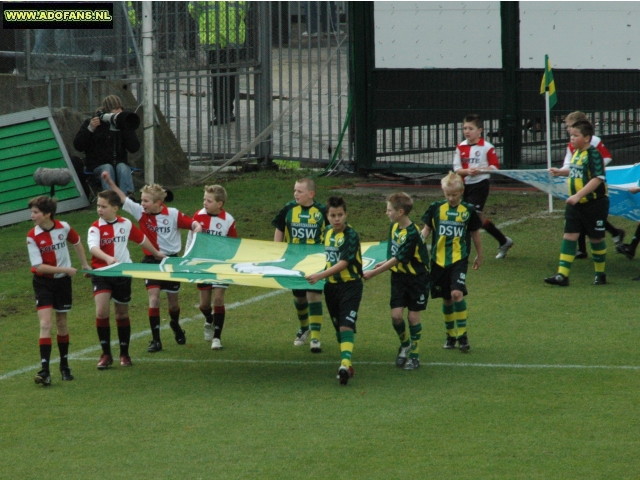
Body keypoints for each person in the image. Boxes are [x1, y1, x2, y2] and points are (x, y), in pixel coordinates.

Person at [102, 171, 202, 352]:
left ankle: (175, 324)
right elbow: (123, 199)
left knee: (173, 304)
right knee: (154, 299)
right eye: (141, 200)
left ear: (158, 203)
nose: (142, 204)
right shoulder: (141, 213)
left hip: (171, 261)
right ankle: (156, 340)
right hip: (150, 261)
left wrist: (198, 227)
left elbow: (192, 224)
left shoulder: (172, 214)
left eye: (146, 201)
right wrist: (110, 182)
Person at [88, 190, 165, 370]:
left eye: (103, 206)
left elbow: (141, 239)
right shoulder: (95, 228)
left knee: (121, 313)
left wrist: (155, 253)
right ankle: (106, 354)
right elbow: (93, 247)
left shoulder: (125, 224)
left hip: (122, 274)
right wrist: (107, 259)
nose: (99, 210)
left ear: (115, 208)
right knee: (101, 312)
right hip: (102, 274)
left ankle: (124, 353)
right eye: (98, 206)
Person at [26, 196, 91, 386]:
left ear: (47, 214)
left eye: (36, 212)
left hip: (63, 284)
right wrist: (65, 269)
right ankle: (45, 370)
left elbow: (77, 241)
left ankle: (64, 365)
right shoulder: (32, 236)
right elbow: (38, 267)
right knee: (45, 324)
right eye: (32, 212)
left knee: (61, 322)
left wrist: (84, 264)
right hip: (43, 283)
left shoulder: (64, 227)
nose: (32, 216)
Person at [363, 193, 429, 370]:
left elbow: (400, 257)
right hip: (399, 278)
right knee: (396, 316)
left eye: (389, 210)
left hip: (417, 279)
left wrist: (374, 272)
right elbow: (394, 254)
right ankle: (405, 344)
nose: (386, 213)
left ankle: (414, 356)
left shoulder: (412, 233)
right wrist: (384, 262)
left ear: (400, 212)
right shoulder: (394, 228)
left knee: (413, 316)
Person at [421, 172, 482, 352]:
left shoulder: (468, 211)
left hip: (459, 259)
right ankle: (450, 336)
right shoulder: (435, 208)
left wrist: (479, 255)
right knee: (447, 298)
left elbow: (475, 234)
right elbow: (426, 230)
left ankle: (462, 335)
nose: (451, 198)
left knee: (457, 294)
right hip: (438, 261)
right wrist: (416, 242)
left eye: (454, 195)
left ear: (462, 191)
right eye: (448, 194)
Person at [306, 196, 363, 385]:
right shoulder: (327, 232)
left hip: (350, 286)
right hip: (331, 288)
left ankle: (344, 365)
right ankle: (348, 364)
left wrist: (319, 276)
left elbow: (344, 262)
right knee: (340, 329)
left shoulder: (351, 235)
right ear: (327, 217)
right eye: (333, 215)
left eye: (340, 215)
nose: (337, 219)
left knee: (346, 325)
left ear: (346, 215)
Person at [546, 120, 609, 286]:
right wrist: (561, 172)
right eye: (570, 135)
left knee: (596, 238)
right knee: (569, 235)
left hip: (594, 204)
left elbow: (597, 179)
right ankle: (562, 275)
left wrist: (578, 195)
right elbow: (576, 170)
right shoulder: (577, 153)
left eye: (575, 135)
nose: (571, 139)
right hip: (576, 205)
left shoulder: (593, 154)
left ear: (587, 138)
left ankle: (600, 274)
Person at [272, 177, 328, 353]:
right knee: (299, 298)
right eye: (295, 190)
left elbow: (332, 232)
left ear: (311, 194)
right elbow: (279, 229)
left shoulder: (322, 211)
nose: (295, 194)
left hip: (316, 262)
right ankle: (304, 328)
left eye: (300, 191)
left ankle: (316, 337)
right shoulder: (289, 209)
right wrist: (276, 252)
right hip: (293, 261)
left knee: (313, 295)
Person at [560, 112, 624, 258]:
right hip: (579, 191)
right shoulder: (573, 144)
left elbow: (605, 157)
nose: (568, 130)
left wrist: (594, 170)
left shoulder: (591, 144)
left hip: (592, 192)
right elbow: (569, 163)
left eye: (569, 126)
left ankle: (598, 268)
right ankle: (581, 250)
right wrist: (560, 171)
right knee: (578, 219)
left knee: (593, 226)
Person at [453, 113, 513, 259]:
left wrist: (481, 170)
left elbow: (495, 167)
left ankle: (462, 253)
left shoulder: (487, 147)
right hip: (465, 186)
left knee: (466, 216)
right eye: (465, 128)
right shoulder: (460, 147)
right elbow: (456, 168)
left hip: (480, 185)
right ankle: (504, 241)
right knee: (478, 219)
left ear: (480, 130)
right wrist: (467, 171)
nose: (467, 131)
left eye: (470, 128)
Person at [186, 185, 237, 349]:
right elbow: (191, 239)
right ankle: (209, 319)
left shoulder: (228, 220)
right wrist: (188, 258)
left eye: (209, 200)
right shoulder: (198, 216)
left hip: (221, 265)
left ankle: (217, 337)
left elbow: (234, 244)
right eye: (204, 200)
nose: (205, 203)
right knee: (204, 305)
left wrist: (231, 261)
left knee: (218, 299)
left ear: (219, 204)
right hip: (202, 264)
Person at [189, 1, 248, 125]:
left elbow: (193, 9)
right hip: (232, 37)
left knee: (217, 78)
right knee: (230, 76)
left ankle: (220, 113)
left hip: (213, 38)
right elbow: (244, 9)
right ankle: (228, 111)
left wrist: (204, 20)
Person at [73, 95, 140, 200]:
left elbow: (134, 147)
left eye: (120, 108)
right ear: (107, 111)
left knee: (122, 167)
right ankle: (110, 200)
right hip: (97, 165)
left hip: (119, 162)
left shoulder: (123, 123)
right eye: (115, 109)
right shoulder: (93, 122)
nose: (119, 112)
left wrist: (127, 128)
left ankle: (127, 198)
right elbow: (78, 146)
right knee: (107, 168)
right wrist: (90, 129)